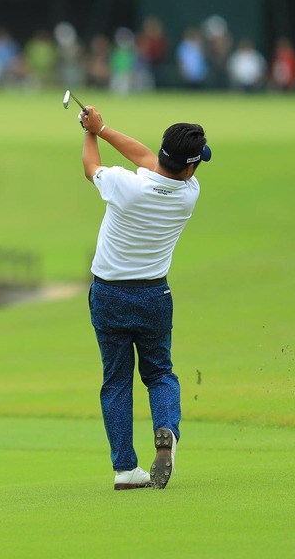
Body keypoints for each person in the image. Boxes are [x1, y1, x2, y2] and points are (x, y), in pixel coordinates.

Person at [75, 102, 211, 491]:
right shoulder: (189, 193)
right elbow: (150, 160)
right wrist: (102, 129)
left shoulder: (126, 185)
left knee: (116, 381)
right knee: (160, 373)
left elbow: (91, 169)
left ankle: (125, 469)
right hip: (154, 294)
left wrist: (90, 131)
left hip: (109, 295)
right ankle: (166, 427)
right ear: (189, 167)